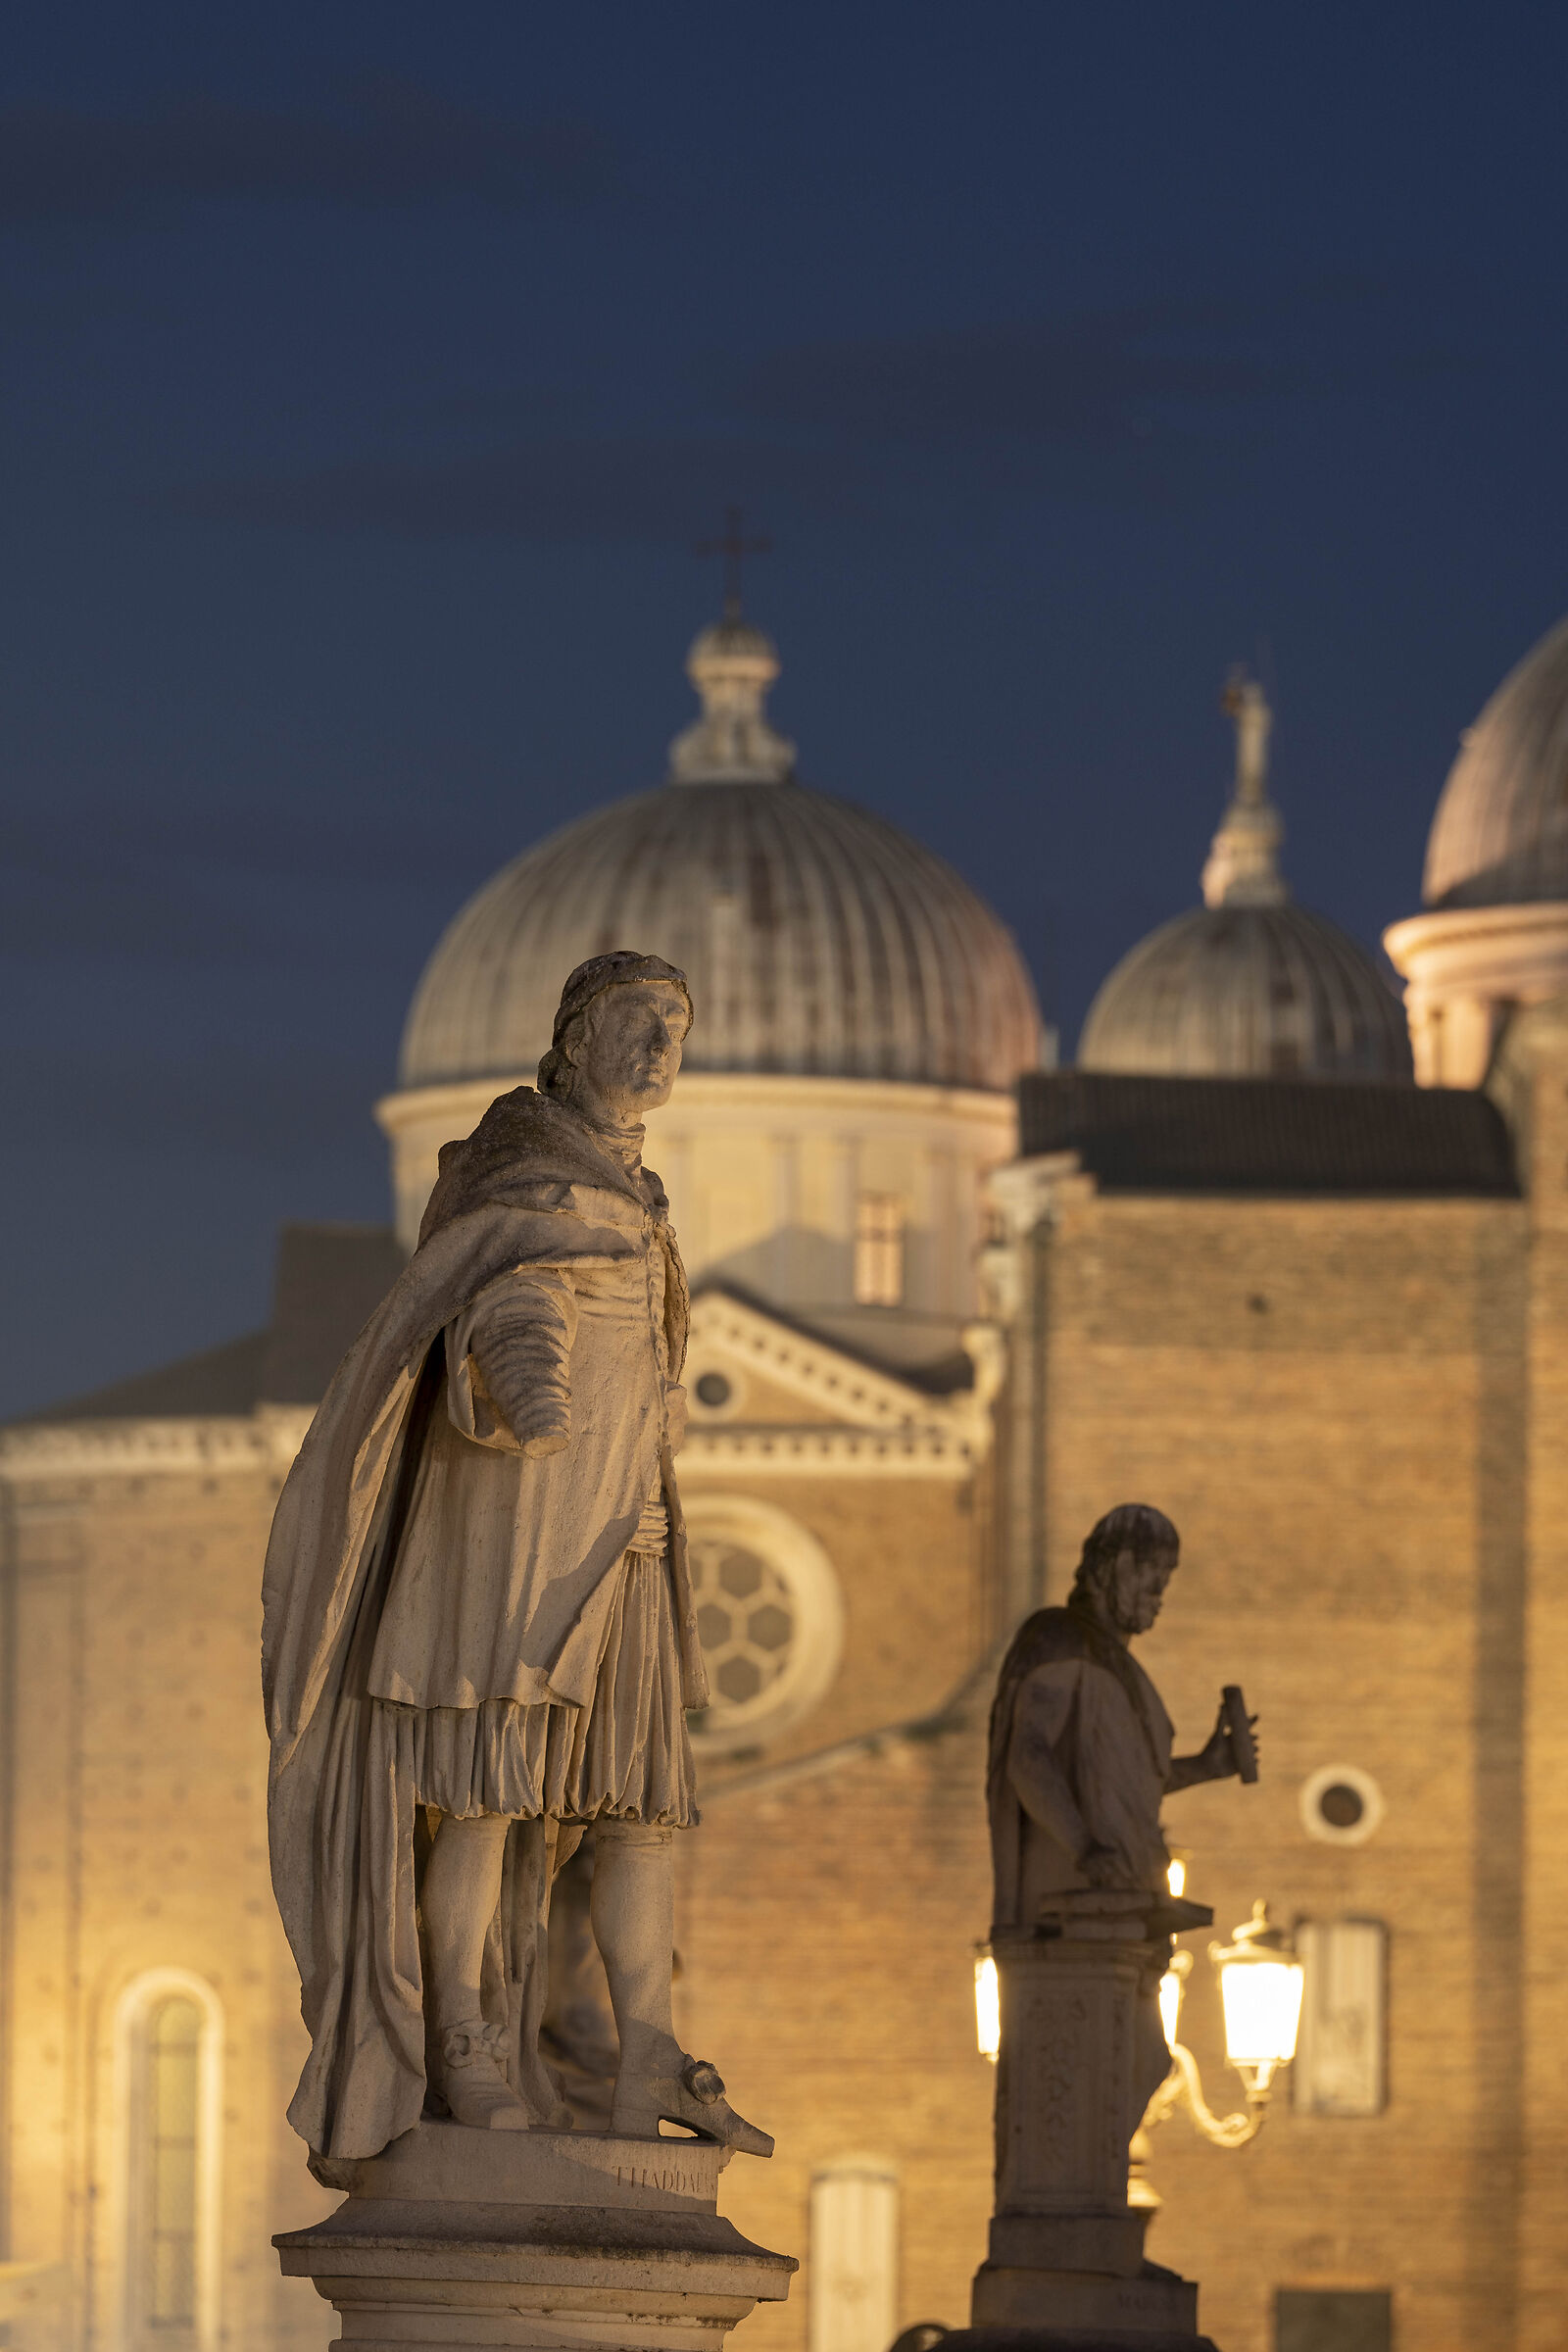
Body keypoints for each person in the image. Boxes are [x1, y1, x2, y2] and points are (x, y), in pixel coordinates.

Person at [262, 952, 770, 2164]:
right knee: (485, 1803)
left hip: (629, 1545)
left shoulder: (640, 1199)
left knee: (641, 1809)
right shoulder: (521, 1168)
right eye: (638, 1023)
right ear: (576, 1034)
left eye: (677, 1031)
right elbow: (498, 1314)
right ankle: (464, 2042)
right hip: (519, 1548)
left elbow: (645, 1373)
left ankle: (646, 2049)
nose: (659, 1051)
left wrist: (640, 1474)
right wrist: (532, 1396)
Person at [987, 1502, 1252, 1932]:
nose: (1160, 1595)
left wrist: (1206, 1766)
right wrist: (1086, 1848)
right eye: (1154, 1578)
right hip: (1072, 1907)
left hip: (1129, 1902)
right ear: (1120, 1566)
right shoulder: (1058, 1637)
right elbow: (1029, 1755)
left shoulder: (1127, 1673)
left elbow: (1116, 1781)